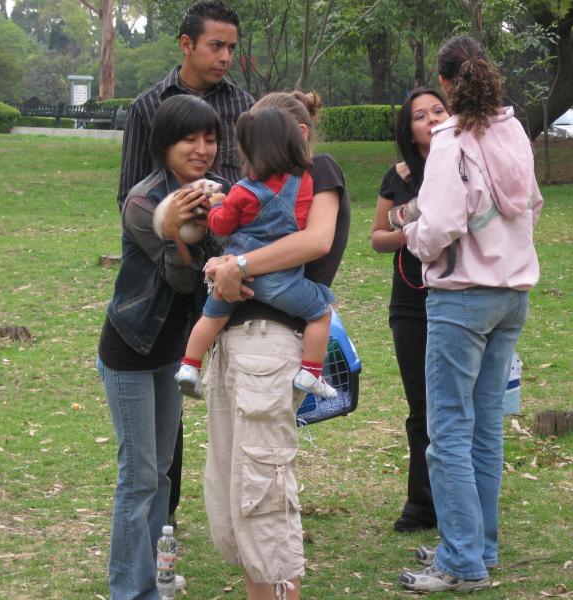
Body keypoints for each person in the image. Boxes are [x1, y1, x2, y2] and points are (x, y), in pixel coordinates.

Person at [397, 36, 543, 593]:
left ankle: (461, 559)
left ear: (446, 82)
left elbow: (438, 225)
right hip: (512, 294)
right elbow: (531, 205)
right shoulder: (514, 131)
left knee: (449, 432)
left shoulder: (450, 140)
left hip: (461, 298)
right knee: (485, 426)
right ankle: (478, 544)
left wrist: (411, 235)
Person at [201, 90, 350, 600]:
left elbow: (316, 241)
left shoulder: (318, 170)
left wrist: (238, 265)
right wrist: (222, 264)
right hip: (235, 344)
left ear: (298, 134)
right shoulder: (263, 186)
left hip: (269, 343)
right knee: (235, 489)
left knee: (262, 489)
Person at [117, 0, 253, 527]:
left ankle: (242, 510)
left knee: (237, 388)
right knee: (166, 400)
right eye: (216, 45)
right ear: (186, 44)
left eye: (232, 48)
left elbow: (257, 182)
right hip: (169, 267)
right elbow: (132, 194)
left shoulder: (242, 104)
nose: (225, 57)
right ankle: (163, 520)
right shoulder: (148, 106)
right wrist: (169, 236)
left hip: (230, 264)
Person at [98, 95, 230, 600]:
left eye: (210, 138)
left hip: (172, 350)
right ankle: (129, 591)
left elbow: (227, 257)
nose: (201, 149)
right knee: (138, 477)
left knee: (161, 475)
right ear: (164, 144)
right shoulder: (143, 203)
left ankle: (152, 580)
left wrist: (218, 221)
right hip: (131, 350)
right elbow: (182, 279)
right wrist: (177, 231)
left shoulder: (212, 193)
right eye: (188, 139)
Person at [176, 107, 338, 400]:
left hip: (237, 275)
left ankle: (189, 367)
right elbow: (304, 224)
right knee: (321, 313)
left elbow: (221, 227)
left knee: (212, 318)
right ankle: (311, 373)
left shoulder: (241, 190)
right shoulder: (304, 183)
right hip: (281, 279)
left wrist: (217, 205)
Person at [369, 87, 448, 533]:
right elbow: (377, 237)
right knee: (421, 405)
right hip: (411, 301)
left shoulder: (464, 165)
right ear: (408, 129)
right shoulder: (398, 176)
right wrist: (412, 229)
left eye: (439, 110)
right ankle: (421, 503)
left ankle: (459, 499)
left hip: (458, 295)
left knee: (456, 405)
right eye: (421, 115)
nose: (432, 119)